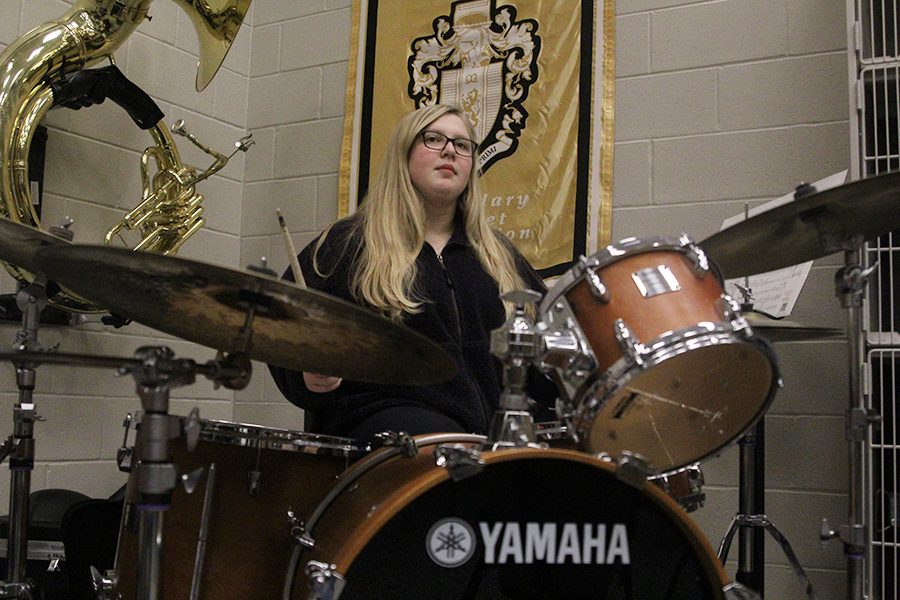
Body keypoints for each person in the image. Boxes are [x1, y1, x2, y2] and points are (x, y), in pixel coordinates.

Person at [269, 103, 556, 440]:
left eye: (462, 145)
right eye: (433, 139)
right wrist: (308, 375)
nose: (450, 150)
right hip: (386, 431)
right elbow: (281, 327)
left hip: (488, 437)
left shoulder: (498, 256)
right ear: (403, 155)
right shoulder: (349, 244)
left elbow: (546, 359)